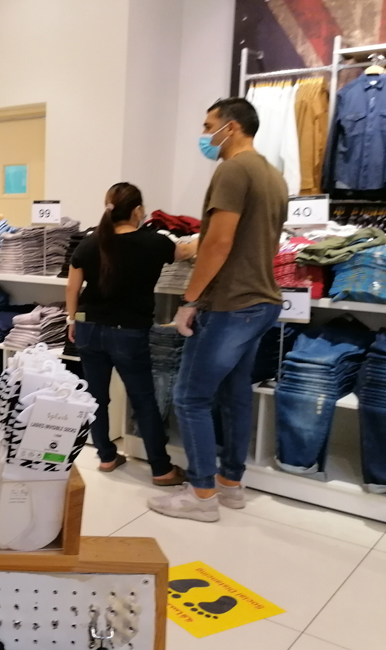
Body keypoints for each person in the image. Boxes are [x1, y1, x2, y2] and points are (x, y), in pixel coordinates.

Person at [148, 97, 287, 522]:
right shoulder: (273, 176)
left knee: (191, 397)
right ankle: (230, 484)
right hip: (261, 300)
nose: (205, 135)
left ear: (233, 126)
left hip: (230, 304)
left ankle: (201, 494)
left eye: (210, 126)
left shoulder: (232, 169)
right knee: (235, 395)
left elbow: (219, 242)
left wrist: (191, 299)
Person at [67, 183, 196, 486]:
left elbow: (73, 288)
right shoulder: (155, 243)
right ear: (138, 210)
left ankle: (107, 457)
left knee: (96, 397)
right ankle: (161, 469)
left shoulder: (89, 243)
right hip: (128, 334)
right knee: (144, 400)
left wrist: (72, 319)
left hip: (88, 328)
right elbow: (187, 250)